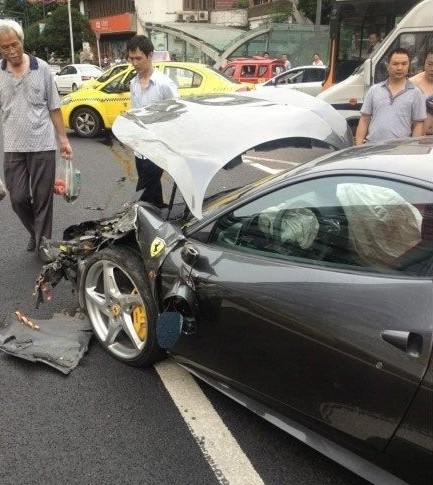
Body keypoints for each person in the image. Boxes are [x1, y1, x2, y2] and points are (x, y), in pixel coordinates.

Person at [0, 19, 73, 262]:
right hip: (13, 147)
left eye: (14, 44)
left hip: (41, 144)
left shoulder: (41, 68)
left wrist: (63, 139)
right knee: (18, 198)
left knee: (43, 200)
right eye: (4, 47)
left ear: (22, 41)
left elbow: (54, 106)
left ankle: (43, 244)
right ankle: (36, 232)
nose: (11, 51)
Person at [126, 35, 179, 206]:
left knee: (143, 192)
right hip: (140, 148)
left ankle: (135, 220)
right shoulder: (133, 83)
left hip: (158, 148)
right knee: (153, 189)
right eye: (131, 58)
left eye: (139, 58)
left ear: (150, 56)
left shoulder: (164, 84)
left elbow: (177, 112)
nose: (134, 63)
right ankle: (160, 214)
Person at [355, 48, 426, 145]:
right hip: (372, 148)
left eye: (404, 64)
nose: (400, 68)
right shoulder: (374, 90)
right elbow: (364, 120)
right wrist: (359, 146)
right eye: (395, 64)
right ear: (387, 66)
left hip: (400, 150)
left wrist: (412, 150)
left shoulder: (416, 93)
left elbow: (418, 124)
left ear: (409, 66)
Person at [410, 49, 433, 135]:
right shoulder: (413, 83)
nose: (432, 69)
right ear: (424, 63)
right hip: (418, 138)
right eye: (430, 64)